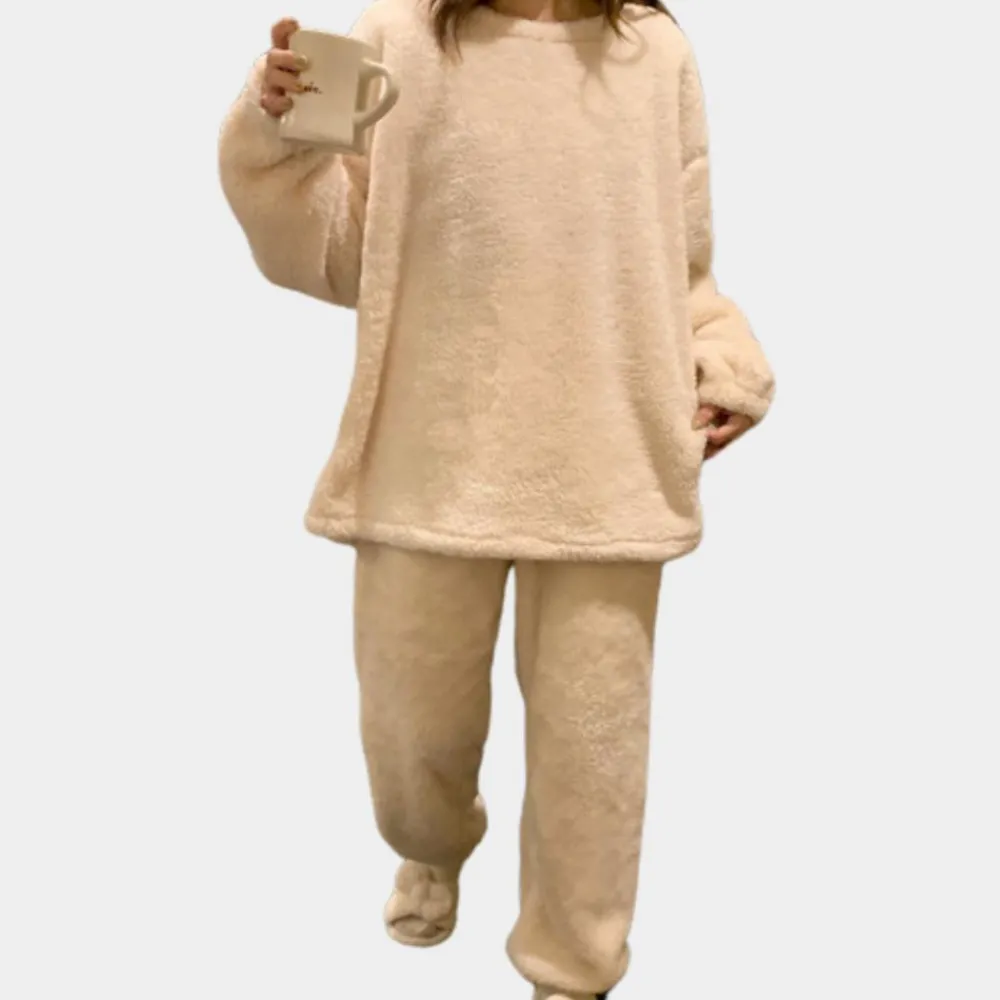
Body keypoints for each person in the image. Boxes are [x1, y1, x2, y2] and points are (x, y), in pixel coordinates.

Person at [218, 0, 775, 997]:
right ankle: (433, 845)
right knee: (411, 747)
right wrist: (275, 128)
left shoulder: (654, 54)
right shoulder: (397, 39)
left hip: (608, 454)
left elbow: (680, 269)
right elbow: (339, 253)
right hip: (428, 451)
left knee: (593, 757)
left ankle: (573, 970)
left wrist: (721, 359)